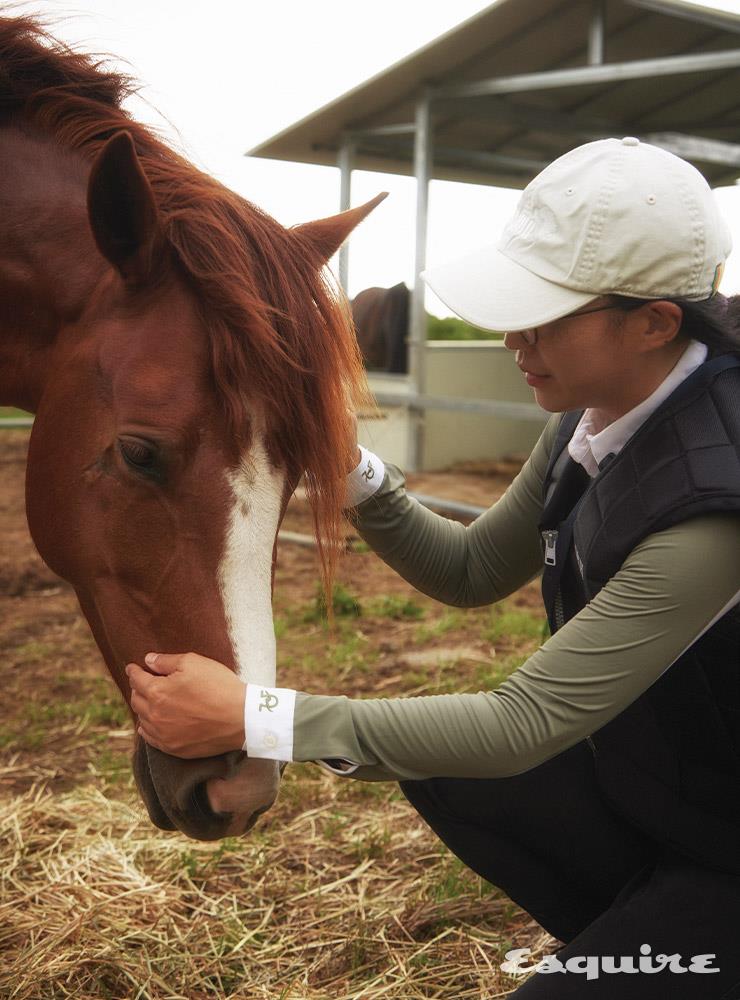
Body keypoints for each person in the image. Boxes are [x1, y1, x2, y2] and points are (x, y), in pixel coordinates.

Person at [127, 138, 740, 998]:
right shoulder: (601, 408)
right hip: (681, 783)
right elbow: (471, 568)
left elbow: (524, 723)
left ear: (654, 322)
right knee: (444, 763)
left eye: (545, 314)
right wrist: (349, 463)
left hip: (723, 841)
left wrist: (261, 717)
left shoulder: (715, 507)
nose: (511, 338)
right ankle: (645, 934)